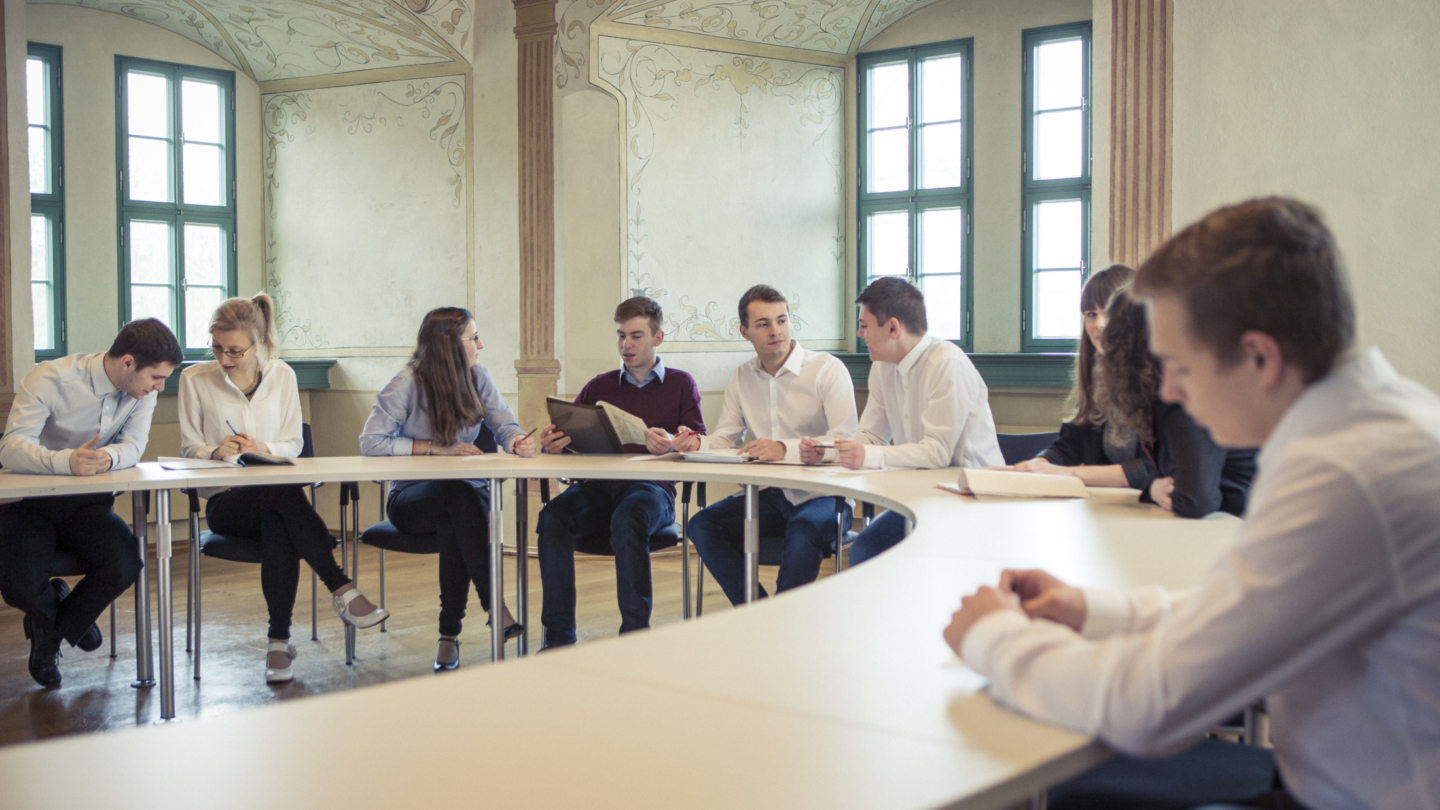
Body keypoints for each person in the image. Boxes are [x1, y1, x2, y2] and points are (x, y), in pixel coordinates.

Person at [945, 197, 1440, 809]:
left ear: (1259, 357)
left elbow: (1147, 707)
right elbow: (1245, 611)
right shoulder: (1372, 425)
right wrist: (1089, 609)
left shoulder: (1346, 474)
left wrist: (992, 637)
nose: (1170, 389)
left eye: (1177, 364)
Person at [179, 295, 387, 683]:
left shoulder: (283, 376)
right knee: (283, 496)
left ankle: (279, 643)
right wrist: (214, 450)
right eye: (217, 349)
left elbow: (293, 444)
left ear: (258, 344)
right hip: (227, 506)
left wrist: (262, 449)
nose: (224, 359)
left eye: (235, 351)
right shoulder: (194, 379)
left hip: (275, 499)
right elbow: (188, 448)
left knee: (279, 522)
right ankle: (340, 587)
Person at [0, 319, 181, 688]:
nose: (159, 388)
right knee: (17, 587)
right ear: (127, 363)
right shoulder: (50, 378)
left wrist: (108, 459)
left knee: (125, 562)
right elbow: (10, 447)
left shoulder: (141, 394)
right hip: (28, 502)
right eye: (156, 378)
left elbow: (133, 446)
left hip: (86, 504)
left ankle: (49, 635)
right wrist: (65, 461)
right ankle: (62, 612)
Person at [360, 307, 536, 672]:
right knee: (458, 498)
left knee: (457, 516)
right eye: (474, 338)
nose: (480, 345)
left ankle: (447, 637)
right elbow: (371, 443)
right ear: (448, 346)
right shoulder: (407, 383)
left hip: (465, 501)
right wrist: (432, 449)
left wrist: (518, 440)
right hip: (412, 499)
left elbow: (505, 425)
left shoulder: (479, 378)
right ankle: (493, 607)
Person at [535, 297, 705, 649]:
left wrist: (674, 442)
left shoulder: (680, 384)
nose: (625, 345)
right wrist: (556, 443)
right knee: (552, 516)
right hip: (597, 488)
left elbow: (698, 440)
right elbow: (574, 438)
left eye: (636, 336)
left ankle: (634, 638)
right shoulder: (599, 386)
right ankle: (558, 636)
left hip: (651, 489)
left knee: (629, 517)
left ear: (657, 339)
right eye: (621, 335)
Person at [678, 285, 858, 604]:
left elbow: (846, 441)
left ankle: (779, 625)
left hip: (824, 493)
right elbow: (725, 438)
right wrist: (696, 444)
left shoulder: (827, 369)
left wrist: (783, 449)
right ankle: (757, 613)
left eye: (782, 320)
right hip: (769, 494)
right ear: (744, 331)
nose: (776, 331)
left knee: (803, 529)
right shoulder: (741, 377)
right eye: (763, 324)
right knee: (702, 525)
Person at [1016, 284, 1257, 518]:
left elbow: (1194, 500)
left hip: (1242, 525)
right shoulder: (1156, 394)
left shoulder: (1180, 398)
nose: (1099, 327)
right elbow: (1169, 478)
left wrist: (1155, 488)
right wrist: (1154, 488)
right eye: (1091, 314)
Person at [839, 277, 1003, 566]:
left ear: (892, 328)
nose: (859, 333)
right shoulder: (881, 367)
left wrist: (867, 454)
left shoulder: (946, 363)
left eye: (864, 325)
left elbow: (937, 452)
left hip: (972, 500)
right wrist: (830, 450)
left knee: (880, 555)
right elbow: (871, 437)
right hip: (920, 495)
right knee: (865, 552)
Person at [1022, 264, 1136, 471]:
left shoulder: (1165, 382)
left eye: (1109, 312)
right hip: (1106, 501)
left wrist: (1078, 474)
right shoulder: (1097, 377)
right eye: (1091, 314)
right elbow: (1069, 447)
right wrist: (1035, 466)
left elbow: (1159, 468)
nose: (1099, 324)